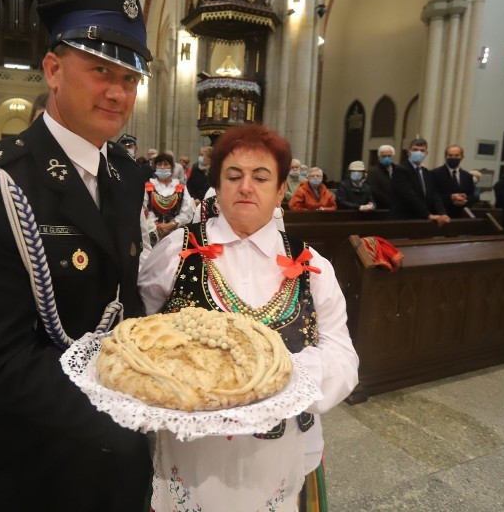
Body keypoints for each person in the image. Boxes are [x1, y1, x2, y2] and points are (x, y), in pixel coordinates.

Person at [0, 0, 152, 511]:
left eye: (129, 78)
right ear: (53, 71)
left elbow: (124, 301)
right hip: (28, 459)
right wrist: (128, 412)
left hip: (113, 458)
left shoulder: (124, 173)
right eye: (101, 71)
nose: (118, 93)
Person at [139, 124, 359, 511]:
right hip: (192, 452)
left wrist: (274, 377)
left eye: (261, 177)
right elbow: (140, 331)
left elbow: (342, 357)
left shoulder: (311, 265)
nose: (246, 187)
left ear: (279, 191)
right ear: (218, 187)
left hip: (280, 450)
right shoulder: (178, 250)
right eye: (234, 176)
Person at [390, 138, 450, 226]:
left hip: (422, 219)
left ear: (426, 153)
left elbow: (434, 194)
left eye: (422, 150)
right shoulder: (401, 170)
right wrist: (428, 214)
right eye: (415, 150)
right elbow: (409, 196)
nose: (418, 152)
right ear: (408, 152)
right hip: (404, 219)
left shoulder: (426, 172)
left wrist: (442, 213)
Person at [143, 152, 194, 241]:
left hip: (176, 233)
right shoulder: (148, 187)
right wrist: (156, 225)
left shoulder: (180, 187)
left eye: (166, 164)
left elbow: (187, 211)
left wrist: (171, 224)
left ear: (172, 167)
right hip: (153, 233)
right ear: (155, 167)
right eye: (159, 164)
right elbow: (144, 210)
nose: (162, 167)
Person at [430, 144, 477, 218]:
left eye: (456, 155)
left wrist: (465, 199)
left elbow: (473, 196)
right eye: (450, 155)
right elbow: (432, 196)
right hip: (442, 215)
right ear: (445, 157)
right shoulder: (434, 174)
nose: (453, 158)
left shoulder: (467, 176)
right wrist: (451, 197)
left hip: (461, 216)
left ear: (462, 157)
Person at [366, 144, 396, 209]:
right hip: (381, 208)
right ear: (379, 157)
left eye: (389, 156)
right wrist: (391, 203)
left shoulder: (398, 170)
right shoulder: (373, 171)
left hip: (397, 209)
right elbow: (374, 191)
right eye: (384, 156)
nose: (387, 158)